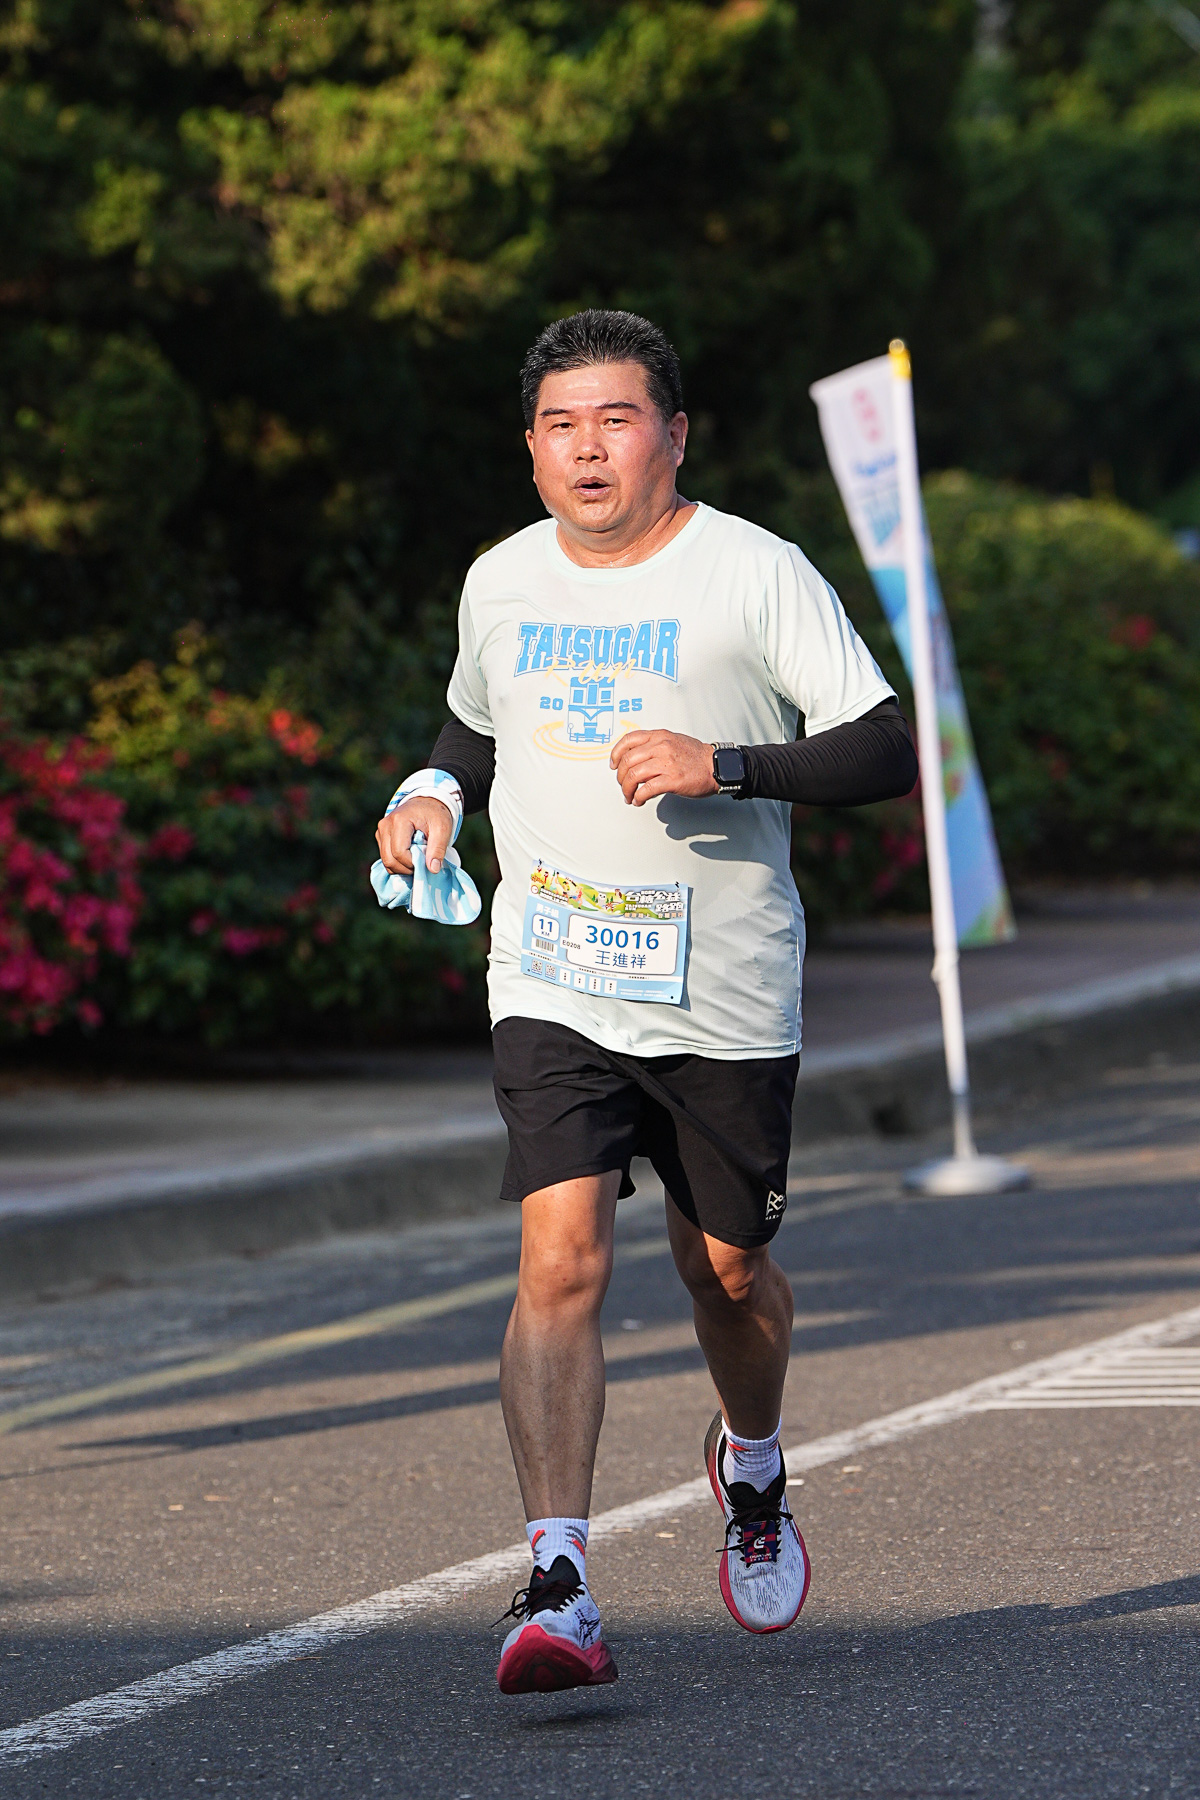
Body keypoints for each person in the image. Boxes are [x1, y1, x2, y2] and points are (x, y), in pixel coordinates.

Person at [375, 309, 917, 1695]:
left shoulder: (754, 571)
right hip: (551, 972)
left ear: (673, 436)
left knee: (724, 1272)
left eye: (616, 420)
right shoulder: (500, 578)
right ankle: (558, 1577)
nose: (588, 449)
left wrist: (725, 765)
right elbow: (473, 727)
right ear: (531, 449)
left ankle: (753, 1462)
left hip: (720, 987)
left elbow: (883, 744)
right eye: (561, 426)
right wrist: (431, 795)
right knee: (559, 1261)